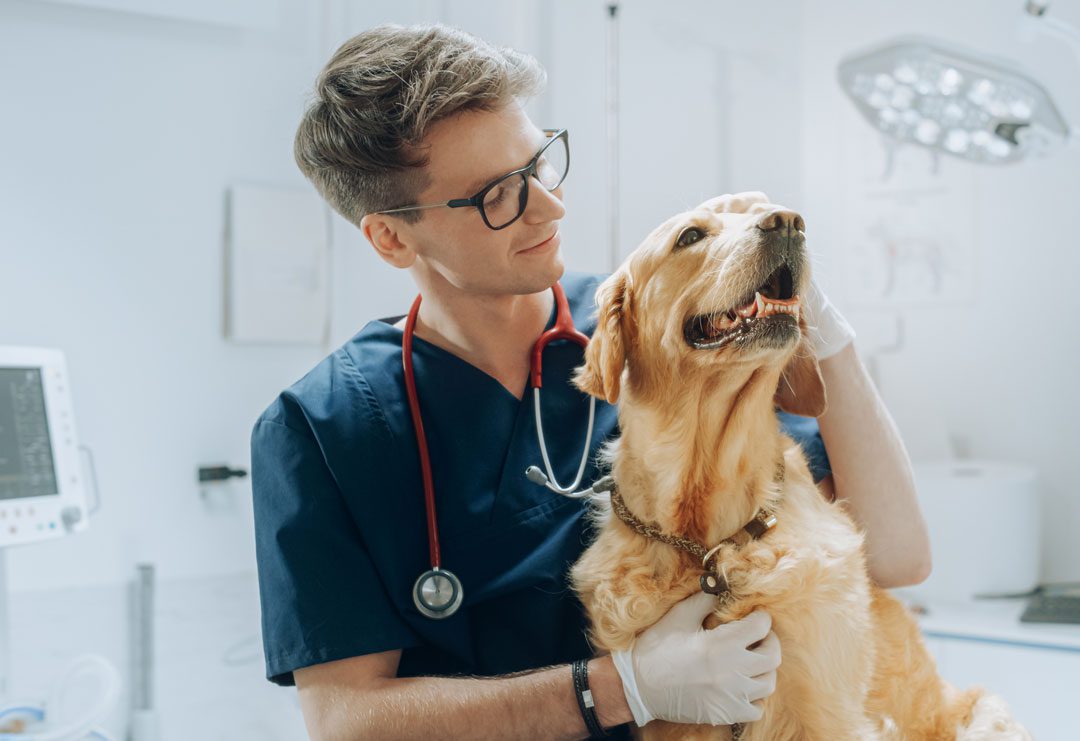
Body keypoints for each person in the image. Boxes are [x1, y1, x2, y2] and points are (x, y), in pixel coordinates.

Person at [250, 23, 932, 740]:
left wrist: (822, 328)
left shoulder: (655, 330)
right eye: (496, 196)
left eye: (540, 163)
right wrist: (618, 687)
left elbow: (896, 554)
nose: (550, 207)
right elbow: (347, 719)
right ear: (393, 237)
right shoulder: (321, 429)